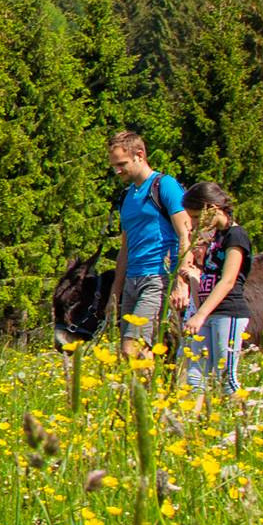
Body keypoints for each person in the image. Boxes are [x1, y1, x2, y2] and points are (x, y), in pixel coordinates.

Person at [106, 132, 192, 361]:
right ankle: (153, 384)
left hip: (158, 278)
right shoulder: (127, 197)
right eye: (114, 166)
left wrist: (181, 282)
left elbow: (185, 233)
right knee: (130, 354)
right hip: (132, 280)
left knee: (134, 348)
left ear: (140, 155)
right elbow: (125, 248)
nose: (117, 171)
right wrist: (115, 292)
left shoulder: (164, 185)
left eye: (122, 164)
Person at [177, 182, 251, 399]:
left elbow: (227, 281)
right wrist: (193, 280)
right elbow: (210, 278)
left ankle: (240, 417)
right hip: (207, 313)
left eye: (196, 217)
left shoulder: (235, 236)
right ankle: (190, 418)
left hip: (228, 313)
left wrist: (200, 315)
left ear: (212, 208)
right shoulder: (215, 237)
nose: (194, 224)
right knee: (195, 376)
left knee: (226, 378)